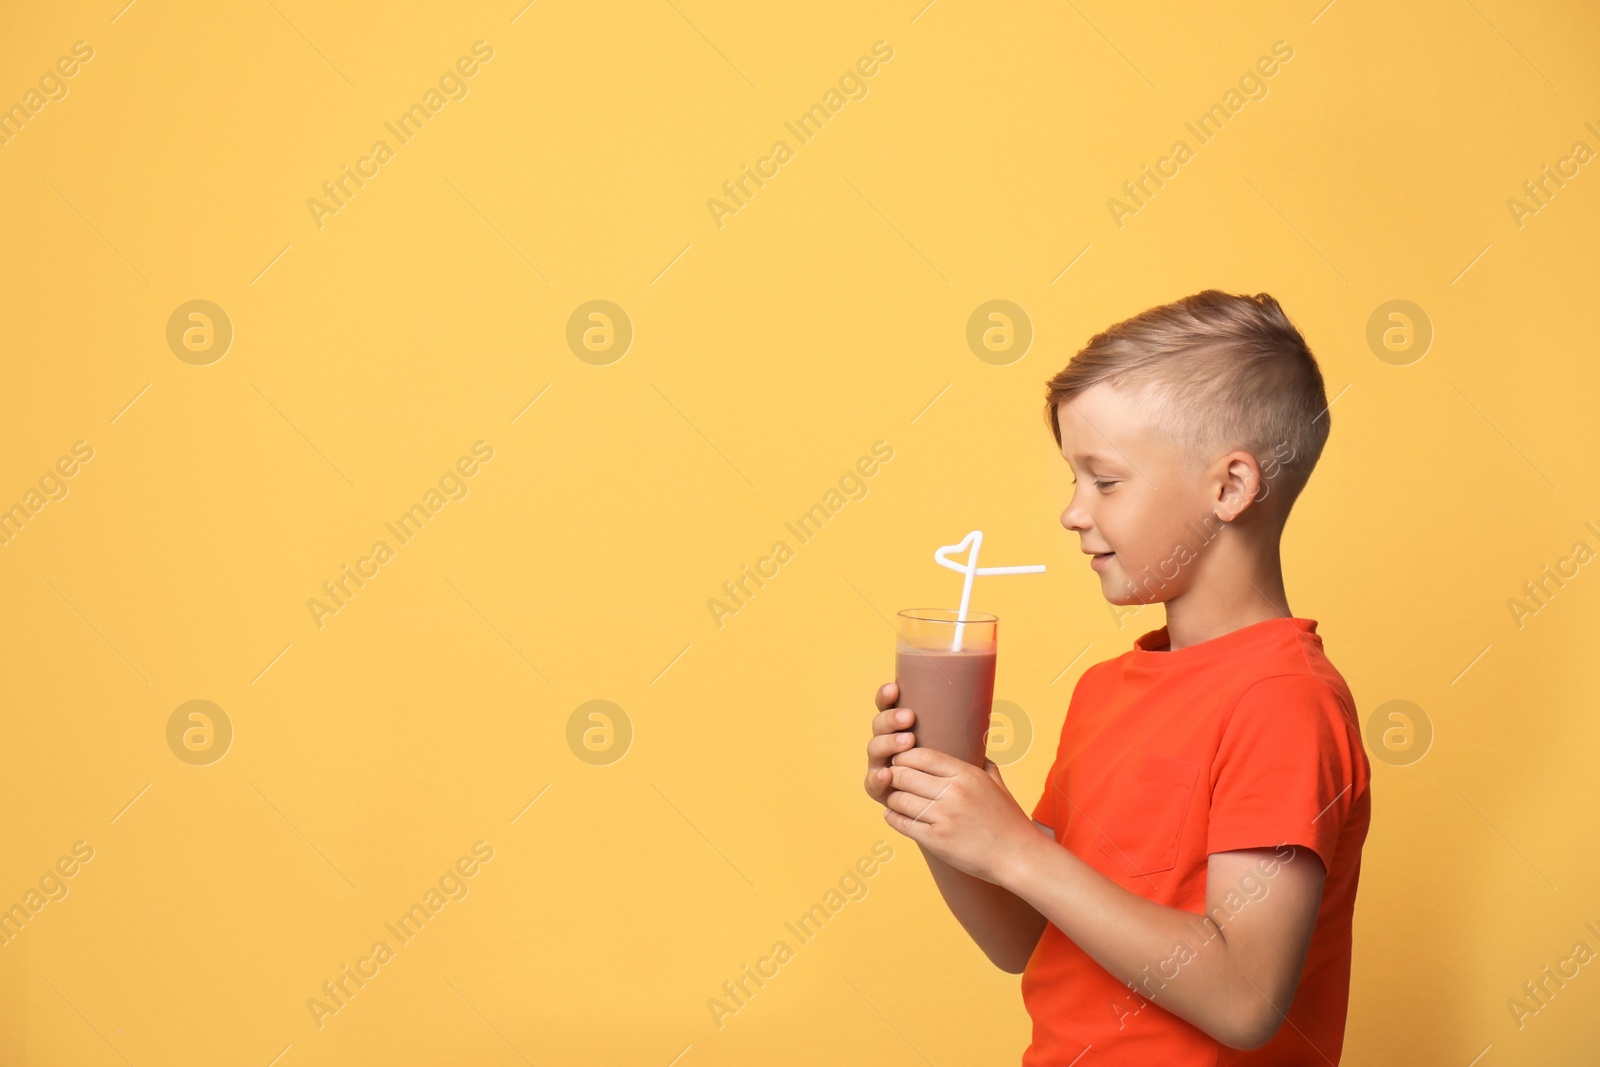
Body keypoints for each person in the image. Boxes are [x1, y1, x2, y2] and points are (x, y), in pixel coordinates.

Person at [864, 289, 1371, 1064]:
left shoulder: (1282, 702)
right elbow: (1022, 939)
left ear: (1230, 488)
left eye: (1104, 480)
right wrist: (944, 809)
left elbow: (1245, 998)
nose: (1072, 511)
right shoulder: (1104, 689)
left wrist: (1017, 850)